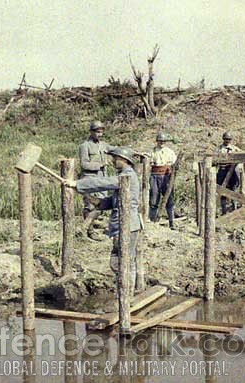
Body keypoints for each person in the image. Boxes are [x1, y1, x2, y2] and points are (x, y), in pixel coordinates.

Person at [64, 147, 142, 296]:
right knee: (121, 261)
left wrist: (77, 184)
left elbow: (103, 182)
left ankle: (126, 295)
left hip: (127, 226)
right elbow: (115, 202)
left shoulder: (127, 176)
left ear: (124, 160)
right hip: (122, 225)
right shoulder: (123, 176)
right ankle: (126, 294)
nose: (113, 161)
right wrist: (97, 202)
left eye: (115, 158)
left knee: (121, 261)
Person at [78, 121, 117, 220]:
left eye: (101, 132)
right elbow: (84, 164)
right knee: (90, 205)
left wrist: (133, 152)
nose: (100, 134)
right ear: (91, 132)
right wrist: (100, 165)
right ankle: (88, 229)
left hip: (101, 177)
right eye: (97, 132)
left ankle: (94, 223)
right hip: (89, 178)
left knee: (101, 203)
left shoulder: (103, 145)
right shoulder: (85, 146)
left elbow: (116, 149)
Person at [148, 132, 177, 229]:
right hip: (155, 176)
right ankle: (152, 221)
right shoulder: (152, 151)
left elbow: (175, 164)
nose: (162, 143)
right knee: (153, 198)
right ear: (157, 141)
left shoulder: (170, 152)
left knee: (169, 199)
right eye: (160, 141)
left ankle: (171, 222)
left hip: (166, 176)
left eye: (163, 141)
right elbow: (149, 163)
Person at [216, 131, 241, 214]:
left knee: (234, 189)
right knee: (222, 190)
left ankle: (235, 210)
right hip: (222, 170)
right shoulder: (219, 149)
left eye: (229, 139)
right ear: (223, 139)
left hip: (232, 170)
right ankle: (224, 211)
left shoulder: (234, 148)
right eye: (226, 139)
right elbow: (215, 159)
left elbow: (242, 155)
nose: (227, 141)